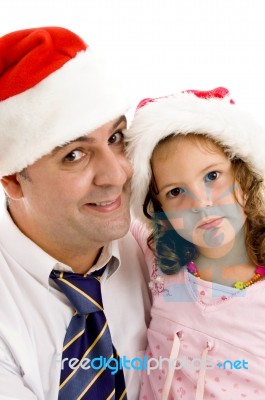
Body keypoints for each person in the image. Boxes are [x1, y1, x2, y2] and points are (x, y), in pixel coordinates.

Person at [0, 26, 151, 400]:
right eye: (74, 155)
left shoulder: (161, 251)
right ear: (12, 180)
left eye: (115, 138)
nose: (117, 175)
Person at [126, 87, 265, 400]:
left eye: (212, 176)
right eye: (176, 192)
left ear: (245, 175)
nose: (201, 204)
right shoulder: (160, 259)